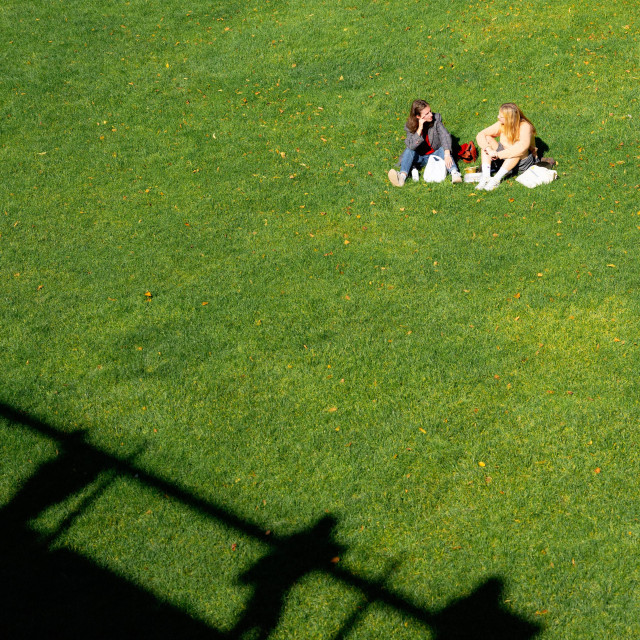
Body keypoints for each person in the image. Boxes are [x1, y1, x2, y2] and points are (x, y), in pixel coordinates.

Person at [388, 99, 462, 186]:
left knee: (444, 150)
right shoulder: (409, 125)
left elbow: (444, 135)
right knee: (408, 150)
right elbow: (411, 145)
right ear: (418, 116)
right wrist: (420, 128)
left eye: (430, 111)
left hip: (435, 153)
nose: (431, 114)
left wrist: (447, 154)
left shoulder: (436, 118)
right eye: (426, 114)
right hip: (419, 157)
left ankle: (454, 173)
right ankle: (402, 177)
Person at [475, 103, 538, 191]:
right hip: (504, 156)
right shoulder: (502, 124)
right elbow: (481, 134)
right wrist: (488, 148)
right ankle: (486, 177)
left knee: (516, 150)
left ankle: (496, 179)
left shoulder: (525, 126)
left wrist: (498, 154)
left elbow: (522, 147)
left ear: (509, 118)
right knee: (486, 139)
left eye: (501, 116)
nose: (498, 117)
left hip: (521, 162)